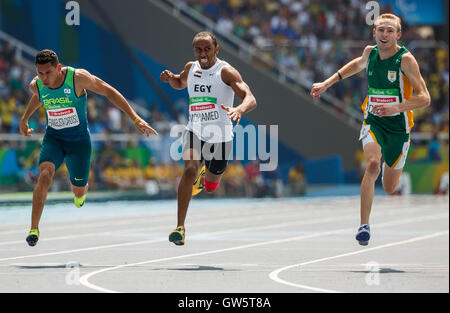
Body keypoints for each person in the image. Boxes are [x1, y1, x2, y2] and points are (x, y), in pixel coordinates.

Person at [310, 14, 430, 246]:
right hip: (373, 120)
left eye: (389, 31)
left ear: (398, 35)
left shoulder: (405, 60)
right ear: (374, 32)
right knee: (372, 164)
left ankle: (391, 166)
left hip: (399, 127)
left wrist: (396, 107)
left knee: (389, 186)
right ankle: (364, 226)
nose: (384, 35)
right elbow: (356, 64)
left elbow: (424, 97)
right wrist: (326, 83)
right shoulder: (370, 52)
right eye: (380, 30)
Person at [20, 49, 158, 246]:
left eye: (48, 73)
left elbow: (108, 90)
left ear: (58, 68)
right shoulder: (37, 85)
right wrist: (25, 118)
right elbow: (39, 95)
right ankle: (34, 229)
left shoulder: (77, 78)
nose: (44, 78)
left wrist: (135, 118)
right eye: (40, 73)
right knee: (44, 175)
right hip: (54, 139)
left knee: (78, 192)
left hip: (79, 143)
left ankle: (81, 190)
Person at [160, 31, 257, 245]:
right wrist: (170, 79)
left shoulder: (225, 72)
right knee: (189, 170)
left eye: (207, 49)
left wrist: (239, 110)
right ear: (194, 50)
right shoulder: (191, 67)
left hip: (221, 138)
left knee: (212, 185)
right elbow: (179, 82)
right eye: (198, 49)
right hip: (194, 131)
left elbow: (250, 97)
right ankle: (180, 228)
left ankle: (206, 177)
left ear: (216, 50)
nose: (203, 54)